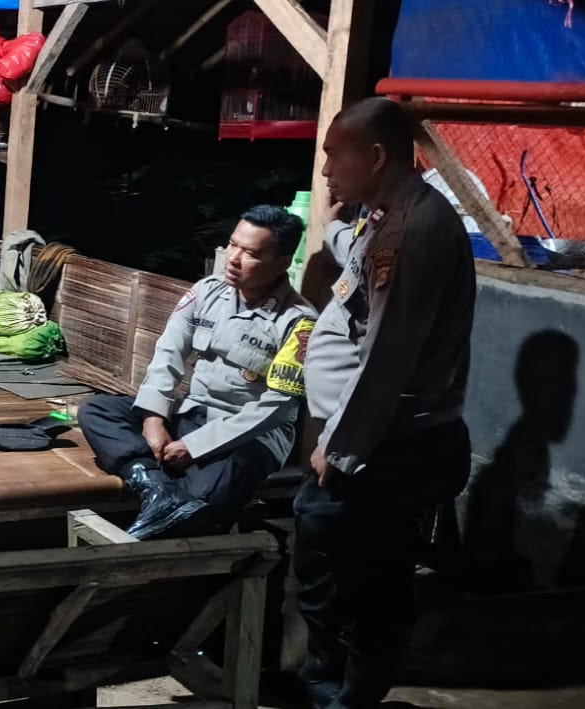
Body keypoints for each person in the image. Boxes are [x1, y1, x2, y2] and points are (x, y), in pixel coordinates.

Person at [297, 97, 476, 709]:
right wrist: (333, 227)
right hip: (370, 439)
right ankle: (328, 687)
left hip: (385, 445)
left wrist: (338, 447)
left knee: (363, 581)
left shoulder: (410, 231)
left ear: (375, 156)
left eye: (333, 156)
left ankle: (348, 698)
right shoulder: (384, 216)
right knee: (335, 568)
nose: (326, 171)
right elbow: (351, 264)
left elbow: (386, 355)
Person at [78, 206, 318, 540]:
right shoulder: (207, 292)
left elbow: (276, 408)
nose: (233, 258)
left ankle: (171, 511)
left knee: (204, 503)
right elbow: (168, 354)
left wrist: (194, 446)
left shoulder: (299, 321)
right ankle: (155, 488)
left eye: (250, 253)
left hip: (247, 438)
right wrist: (153, 418)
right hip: (192, 414)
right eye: (232, 244)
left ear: (282, 262)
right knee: (97, 410)